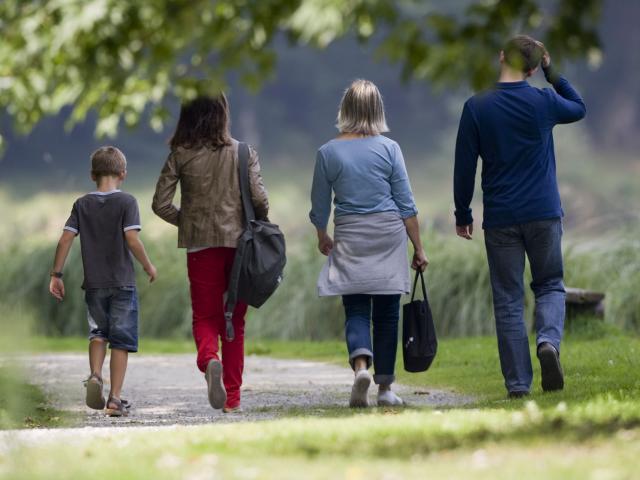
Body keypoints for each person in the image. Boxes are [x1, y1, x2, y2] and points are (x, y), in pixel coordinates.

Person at [453, 35, 586, 398]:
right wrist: (551, 71)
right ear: (532, 69)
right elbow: (578, 107)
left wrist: (463, 213)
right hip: (544, 212)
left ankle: (517, 385)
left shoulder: (476, 106)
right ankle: (548, 342)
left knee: (508, 299)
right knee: (550, 285)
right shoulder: (544, 100)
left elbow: (464, 167)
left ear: (501, 56)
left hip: (501, 218)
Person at [310, 79, 428, 408]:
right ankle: (386, 389)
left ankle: (361, 367)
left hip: (351, 234)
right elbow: (406, 205)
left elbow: (319, 204)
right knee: (388, 314)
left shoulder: (328, 152)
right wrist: (419, 248)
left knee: (356, 307)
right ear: (378, 110)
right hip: (388, 234)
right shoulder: (390, 149)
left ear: (345, 109)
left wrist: (322, 235)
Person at [152, 94, 269, 413]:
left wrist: (189, 222)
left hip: (201, 247)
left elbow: (160, 204)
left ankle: (209, 359)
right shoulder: (243, 152)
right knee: (235, 321)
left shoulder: (180, 153)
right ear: (223, 113)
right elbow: (259, 199)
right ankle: (232, 398)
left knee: (205, 316)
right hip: (241, 246)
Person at [49, 146, 157, 417]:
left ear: (92, 175)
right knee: (121, 340)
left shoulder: (82, 204)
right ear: (123, 174)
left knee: (98, 333)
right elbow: (132, 239)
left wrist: (56, 275)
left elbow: (65, 239)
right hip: (122, 282)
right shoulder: (127, 202)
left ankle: (95, 375)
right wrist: (148, 265)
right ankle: (115, 400)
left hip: (94, 284)